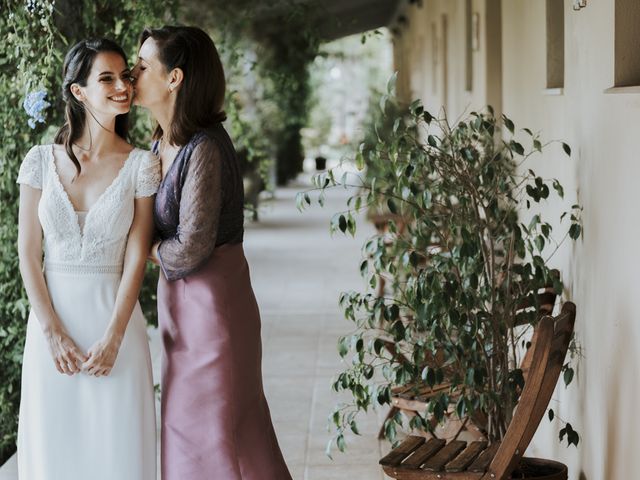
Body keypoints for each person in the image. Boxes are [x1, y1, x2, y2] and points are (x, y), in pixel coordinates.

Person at [131, 26, 292, 480]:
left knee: (221, 434)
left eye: (143, 66)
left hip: (213, 309)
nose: (133, 72)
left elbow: (191, 250)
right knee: (186, 430)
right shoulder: (161, 142)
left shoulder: (204, 147)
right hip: (180, 310)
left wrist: (146, 248)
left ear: (175, 78)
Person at [16, 38, 158, 480]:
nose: (123, 86)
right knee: (53, 456)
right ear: (78, 92)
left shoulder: (141, 165)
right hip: (50, 336)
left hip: (114, 333)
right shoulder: (40, 161)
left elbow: (137, 256)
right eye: (107, 78)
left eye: (125, 76)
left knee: (117, 456)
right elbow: (27, 252)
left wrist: (115, 336)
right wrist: (52, 332)